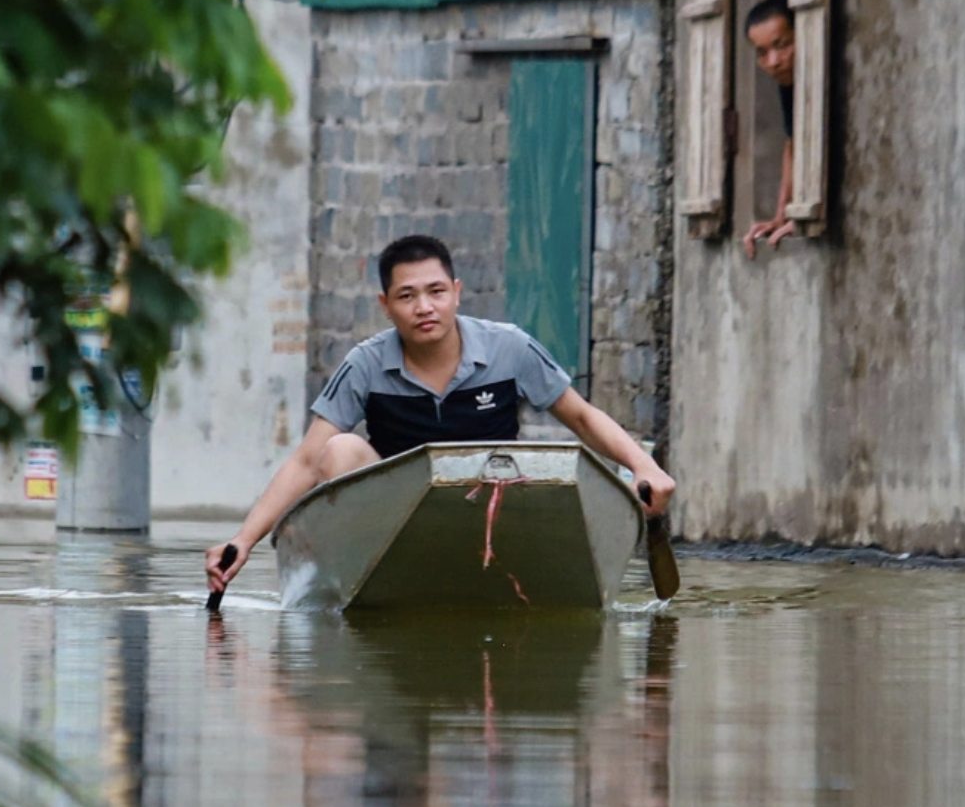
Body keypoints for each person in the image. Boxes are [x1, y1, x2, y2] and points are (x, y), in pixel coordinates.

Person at [204, 235, 676, 600]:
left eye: (435, 292)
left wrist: (644, 467)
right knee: (338, 448)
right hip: (392, 524)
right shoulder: (365, 364)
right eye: (407, 296)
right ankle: (373, 582)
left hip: (493, 506)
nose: (424, 307)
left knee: (562, 467)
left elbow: (581, 416)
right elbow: (307, 462)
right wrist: (242, 541)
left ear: (456, 292)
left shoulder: (508, 347)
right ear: (386, 306)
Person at [742, 0, 799, 258]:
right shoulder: (787, 83)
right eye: (762, 53)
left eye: (783, 44)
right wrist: (781, 215)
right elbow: (794, 143)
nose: (773, 61)